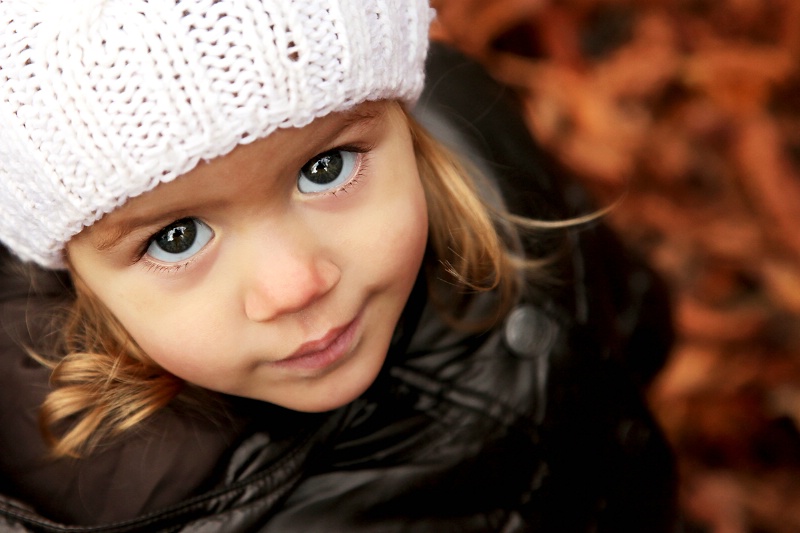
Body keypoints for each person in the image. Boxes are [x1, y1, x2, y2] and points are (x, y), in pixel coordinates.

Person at [0, 1, 676, 531]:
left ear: (399, 115)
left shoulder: (473, 126)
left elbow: (623, 304)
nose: (296, 285)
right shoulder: (93, 501)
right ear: (76, 274)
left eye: (326, 169)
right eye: (177, 237)